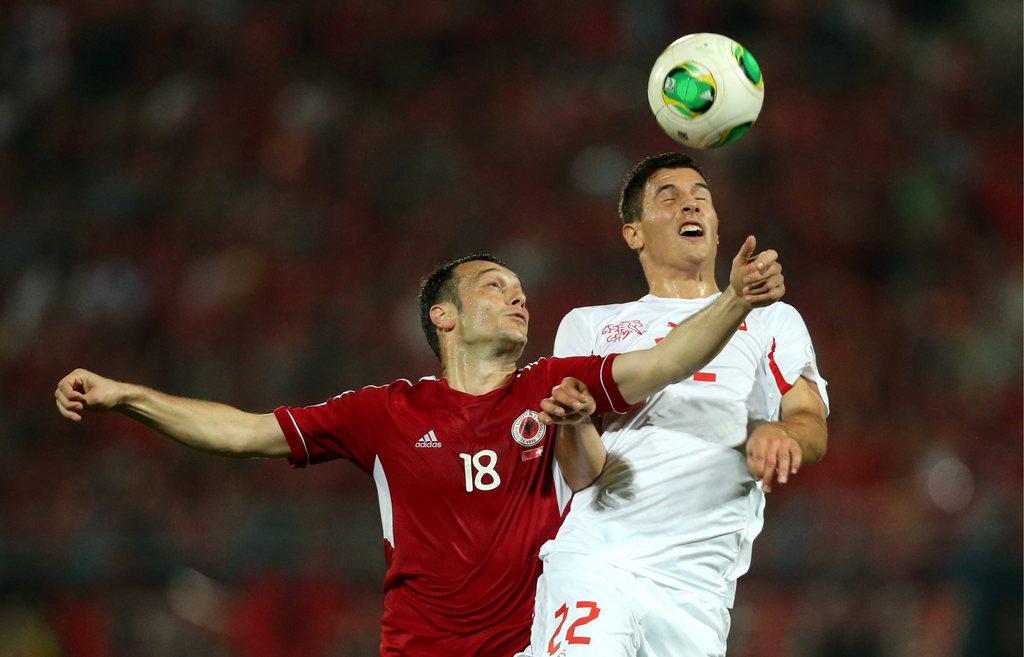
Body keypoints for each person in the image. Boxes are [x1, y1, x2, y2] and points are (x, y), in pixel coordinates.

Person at [54, 246, 784, 657]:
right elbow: (246, 432)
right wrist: (128, 397)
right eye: (496, 287)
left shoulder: (552, 385)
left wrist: (733, 303)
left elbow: (660, 363)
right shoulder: (386, 411)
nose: (519, 298)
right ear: (446, 316)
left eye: (522, 289)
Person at [521, 153, 829, 657]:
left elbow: (810, 421)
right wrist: (575, 426)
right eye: (670, 197)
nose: (692, 205)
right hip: (600, 559)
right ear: (633, 234)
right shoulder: (591, 326)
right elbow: (578, 476)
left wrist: (784, 434)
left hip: (698, 590)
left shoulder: (772, 319)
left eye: (702, 198)